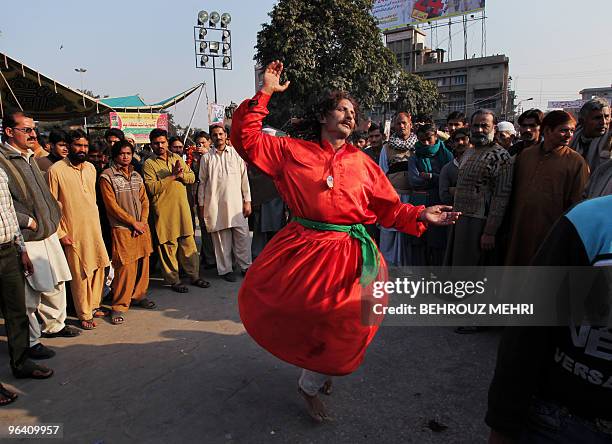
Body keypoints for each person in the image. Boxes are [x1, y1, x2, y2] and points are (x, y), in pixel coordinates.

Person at [230, 60, 460, 421]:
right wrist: (266, 92)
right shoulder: (291, 151)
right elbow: (246, 138)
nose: (350, 115)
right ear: (323, 116)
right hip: (304, 247)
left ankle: (320, 371)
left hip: (352, 253)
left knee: (352, 319)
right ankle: (313, 379)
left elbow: (389, 208)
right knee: (305, 314)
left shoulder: (364, 164)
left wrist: (421, 214)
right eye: (342, 109)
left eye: (354, 112)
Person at [487, 195, 612, 444]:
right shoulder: (588, 221)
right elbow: (527, 332)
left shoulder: (573, 164)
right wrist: (503, 423)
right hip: (564, 423)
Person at [0, 112, 78, 360]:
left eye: (34, 130)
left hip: (47, 232)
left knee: (55, 283)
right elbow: (5, 204)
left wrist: (53, 214)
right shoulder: (4, 160)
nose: (33, 134)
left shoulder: (31, 157)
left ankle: (54, 326)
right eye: (26, 130)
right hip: (25, 237)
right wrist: (29, 222)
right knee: (29, 295)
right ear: (10, 132)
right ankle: (30, 343)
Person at [505, 111, 589, 266]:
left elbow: (578, 204)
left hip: (551, 231)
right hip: (519, 228)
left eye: (571, 130)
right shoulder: (525, 155)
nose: (569, 135)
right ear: (547, 130)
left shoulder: (576, 162)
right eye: (563, 130)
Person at [47, 129, 111, 330]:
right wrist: (60, 233)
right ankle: (84, 313)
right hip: (72, 231)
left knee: (99, 266)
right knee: (80, 272)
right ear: (68, 146)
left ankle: (94, 305)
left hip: (93, 227)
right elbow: (52, 205)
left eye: (85, 146)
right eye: (78, 145)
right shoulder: (56, 170)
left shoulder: (91, 168)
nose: (82, 149)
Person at [0, 166, 53, 389]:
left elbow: (9, 211)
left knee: (17, 311)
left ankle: (21, 363)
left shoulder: (1, 172)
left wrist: (21, 249)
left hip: (8, 249)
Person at [142, 128, 210, 293]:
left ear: (167, 142)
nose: (160, 146)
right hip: (164, 211)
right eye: (156, 143)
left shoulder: (177, 157)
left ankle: (194, 276)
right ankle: (174, 280)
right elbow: (151, 188)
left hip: (182, 208)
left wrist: (180, 176)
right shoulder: (149, 164)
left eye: (162, 142)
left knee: (188, 242)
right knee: (168, 246)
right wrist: (171, 176)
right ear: (151, 145)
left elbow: (192, 177)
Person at [445, 109, 513, 267]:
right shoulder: (469, 153)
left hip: (479, 224)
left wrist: (489, 232)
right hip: (460, 219)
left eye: (485, 126)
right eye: (475, 126)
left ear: (494, 128)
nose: (479, 130)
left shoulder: (501, 156)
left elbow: (501, 197)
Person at [100, 141, 154, 325]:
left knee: (143, 262)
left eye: (128, 153)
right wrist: (133, 222)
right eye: (122, 153)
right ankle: (119, 306)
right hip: (122, 229)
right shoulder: (107, 177)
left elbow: (145, 200)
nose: (125, 156)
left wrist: (143, 221)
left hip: (141, 227)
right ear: (115, 155)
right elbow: (112, 206)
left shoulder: (137, 176)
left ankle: (139, 295)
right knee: (125, 267)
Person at [198, 125, 252, 282]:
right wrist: (201, 206)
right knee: (221, 239)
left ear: (226, 135)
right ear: (211, 138)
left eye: (221, 134)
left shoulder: (236, 155)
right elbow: (202, 183)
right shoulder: (207, 158)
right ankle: (226, 269)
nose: (218, 137)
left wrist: (247, 201)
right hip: (215, 204)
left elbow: (244, 179)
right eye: (215, 135)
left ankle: (245, 266)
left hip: (237, 205)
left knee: (242, 237)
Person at [406, 123, 454, 265]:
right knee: (419, 241)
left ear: (435, 136)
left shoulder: (446, 155)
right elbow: (414, 181)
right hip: (419, 202)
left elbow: (448, 181)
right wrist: (438, 179)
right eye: (422, 140)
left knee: (438, 242)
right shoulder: (414, 157)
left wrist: (431, 176)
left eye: (429, 139)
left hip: (439, 202)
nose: (426, 143)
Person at [378, 112, 419, 266]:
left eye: (404, 123)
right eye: (398, 123)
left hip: (412, 199)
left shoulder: (419, 146)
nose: (401, 126)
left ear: (410, 124)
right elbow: (382, 174)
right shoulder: (387, 148)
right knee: (389, 234)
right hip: (393, 198)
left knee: (407, 234)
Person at [570, 97, 611, 171]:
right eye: (597, 118)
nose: (603, 122)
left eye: (606, 117)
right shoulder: (569, 139)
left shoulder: (609, 141)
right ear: (582, 121)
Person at [439, 127, 470, 205]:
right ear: (453, 144)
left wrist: (455, 190)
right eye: (457, 140)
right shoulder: (447, 169)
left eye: (463, 139)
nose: (460, 142)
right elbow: (444, 197)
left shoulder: (481, 164)